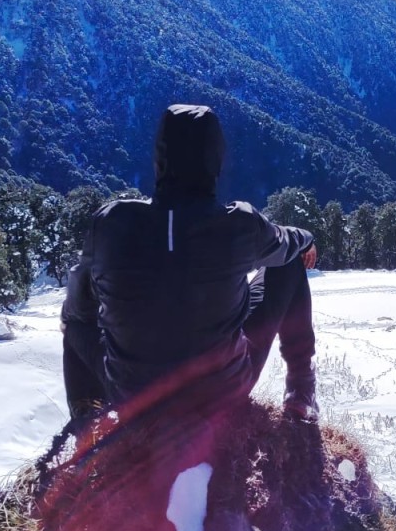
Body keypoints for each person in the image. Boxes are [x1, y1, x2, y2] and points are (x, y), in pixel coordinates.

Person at [59, 104, 320, 425]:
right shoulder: (240, 224)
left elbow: (78, 303)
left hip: (130, 395)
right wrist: (307, 239)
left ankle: (86, 419)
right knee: (288, 261)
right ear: (217, 163)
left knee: (73, 320)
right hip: (223, 392)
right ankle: (301, 391)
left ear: (157, 162)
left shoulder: (111, 223)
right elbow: (285, 241)